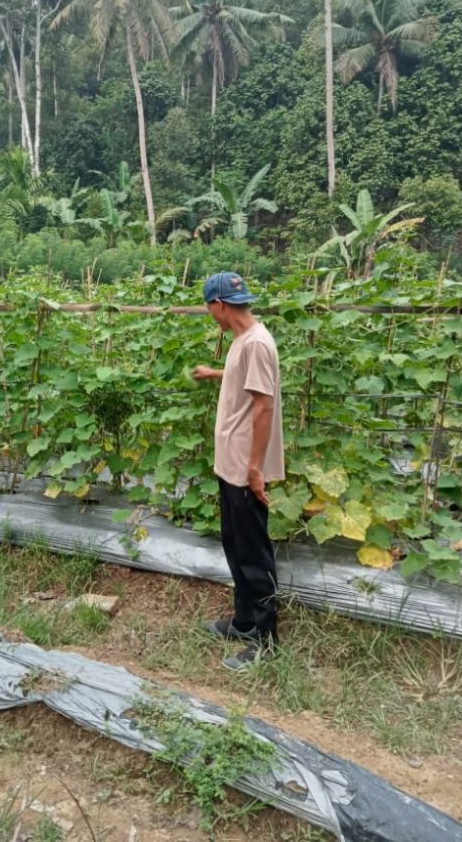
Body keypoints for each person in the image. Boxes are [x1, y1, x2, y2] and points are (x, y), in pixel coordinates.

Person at [194, 271, 284, 671]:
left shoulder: (258, 344)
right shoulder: (242, 341)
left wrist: (254, 468)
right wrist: (214, 374)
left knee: (253, 554)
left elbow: (263, 406)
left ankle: (266, 640)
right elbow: (244, 383)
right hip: (230, 463)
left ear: (218, 305)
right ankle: (245, 620)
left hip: (244, 466)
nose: (210, 313)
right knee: (234, 543)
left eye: (208, 307)